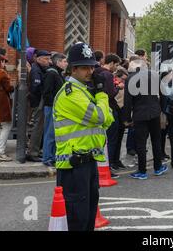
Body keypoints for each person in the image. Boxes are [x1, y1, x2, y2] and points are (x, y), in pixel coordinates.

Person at [53, 43, 114, 231]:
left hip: (88, 161)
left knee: (88, 217)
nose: (90, 71)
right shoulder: (70, 94)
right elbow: (101, 116)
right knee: (77, 220)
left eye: (92, 66)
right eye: (85, 67)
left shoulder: (84, 91)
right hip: (73, 165)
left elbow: (107, 120)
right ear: (73, 69)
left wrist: (100, 104)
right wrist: (102, 95)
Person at [124, 59, 168, 179]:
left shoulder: (130, 78)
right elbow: (164, 94)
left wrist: (127, 118)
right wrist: (162, 109)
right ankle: (158, 167)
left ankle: (142, 171)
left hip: (139, 114)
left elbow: (127, 101)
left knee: (141, 143)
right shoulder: (154, 76)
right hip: (154, 112)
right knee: (156, 141)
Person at [94, 53, 122, 177]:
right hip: (109, 109)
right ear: (111, 63)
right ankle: (108, 167)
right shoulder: (108, 74)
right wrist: (118, 87)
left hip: (98, 108)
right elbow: (110, 93)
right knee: (111, 140)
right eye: (116, 65)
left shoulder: (96, 71)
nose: (116, 68)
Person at [42, 53, 68, 167]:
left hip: (56, 107)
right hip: (52, 106)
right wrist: (54, 104)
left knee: (54, 133)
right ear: (58, 62)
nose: (66, 63)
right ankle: (47, 157)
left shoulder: (57, 73)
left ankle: (52, 156)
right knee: (50, 132)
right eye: (64, 61)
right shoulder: (51, 73)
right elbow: (47, 92)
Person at [27, 50, 51, 162]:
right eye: (46, 59)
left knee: (39, 127)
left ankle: (36, 151)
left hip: (38, 102)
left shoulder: (40, 69)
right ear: (39, 59)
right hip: (38, 102)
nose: (48, 61)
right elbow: (36, 87)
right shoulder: (36, 70)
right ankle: (33, 152)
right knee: (37, 127)